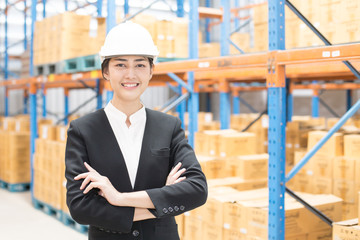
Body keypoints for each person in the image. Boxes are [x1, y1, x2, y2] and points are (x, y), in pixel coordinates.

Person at [65, 21, 208, 240]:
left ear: (151, 71)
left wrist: (119, 198)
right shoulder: (84, 130)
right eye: (120, 65)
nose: (130, 74)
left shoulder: (169, 127)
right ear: (106, 71)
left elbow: (197, 190)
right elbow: (80, 207)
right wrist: (160, 201)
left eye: (140, 65)